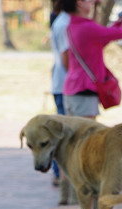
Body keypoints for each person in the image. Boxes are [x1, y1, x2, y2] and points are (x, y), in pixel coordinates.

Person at [62, 0, 122, 119]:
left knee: (76, 136)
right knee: (88, 136)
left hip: (72, 91)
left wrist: (117, 23)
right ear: (79, 3)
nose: (91, 2)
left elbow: (101, 41)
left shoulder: (73, 25)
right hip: (84, 91)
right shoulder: (86, 27)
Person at [50, 0, 70, 190]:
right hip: (66, 86)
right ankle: (60, 177)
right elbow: (66, 58)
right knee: (65, 137)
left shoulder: (62, 20)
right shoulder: (64, 23)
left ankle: (60, 176)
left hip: (62, 84)